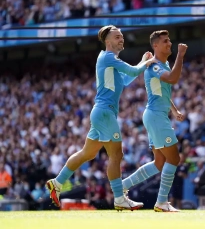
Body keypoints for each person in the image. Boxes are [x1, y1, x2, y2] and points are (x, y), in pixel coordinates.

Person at [46, 25, 156, 211]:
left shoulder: (109, 61)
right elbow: (132, 72)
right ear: (108, 41)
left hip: (101, 112)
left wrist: (142, 63)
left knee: (87, 153)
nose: (121, 39)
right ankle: (120, 198)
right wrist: (147, 62)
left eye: (121, 36)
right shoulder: (109, 57)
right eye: (117, 37)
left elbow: (126, 79)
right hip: (105, 112)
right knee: (116, 155)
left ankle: (57, 182)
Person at [121, 30, 188, 212]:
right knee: (174, 158)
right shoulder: (155, 66)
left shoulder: (163, 64)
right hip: (156, 116)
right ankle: (161, 202)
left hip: (155, 115)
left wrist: (174, 110)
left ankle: (122, 185)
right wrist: (181, 55)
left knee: (159, 163)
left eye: (169, 40)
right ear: (155, 46)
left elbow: (164, 91)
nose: (170, 44)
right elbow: (173, 79)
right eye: (165, 41)